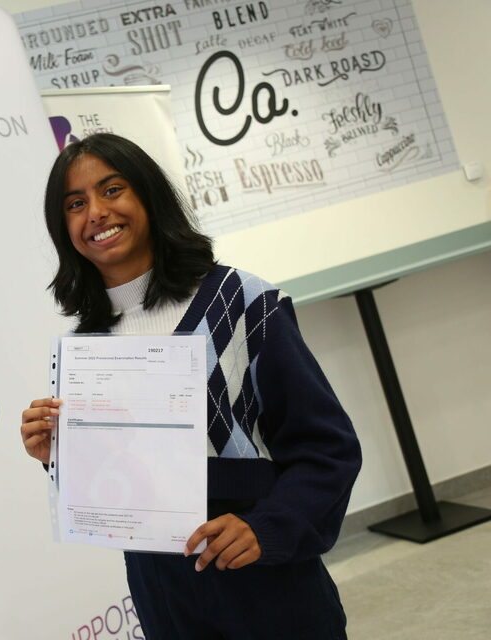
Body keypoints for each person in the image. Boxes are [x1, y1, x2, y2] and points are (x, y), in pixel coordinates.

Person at [19, 133, 361, 639]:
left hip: (265, 585)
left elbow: (327, 448)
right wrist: (57, 454)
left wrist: (268, 529)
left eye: (112, 190)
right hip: (164, 597)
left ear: (149, 198)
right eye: (75, 203)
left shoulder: (243, 303)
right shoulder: (86, 348)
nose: (95, 212)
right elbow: (115, 486)